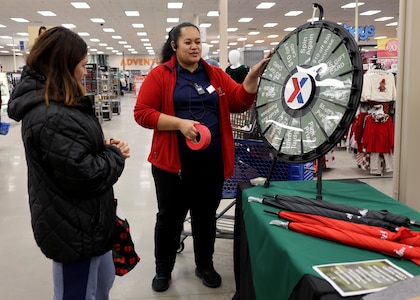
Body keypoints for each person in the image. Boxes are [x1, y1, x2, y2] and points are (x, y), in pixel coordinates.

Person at [133, 21, 269, 292]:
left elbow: (238, 101)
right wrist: (179, 124)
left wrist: (251, 79)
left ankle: (204, 264)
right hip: (173, 165)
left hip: (211, 163)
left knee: (206, 217)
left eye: (198, 41)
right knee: (169, 219)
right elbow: (142, 113)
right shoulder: (160, 75)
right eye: (188, 42)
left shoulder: (215, 74)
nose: (195, 46)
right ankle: (163, 269)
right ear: (174, 45)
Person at [7, 26, 130, 300]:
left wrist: (102, 145)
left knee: (98, 286)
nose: (86, 72)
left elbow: (70, 153)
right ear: (64, 66)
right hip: (75, 229)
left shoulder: (59, 106)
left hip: (82, 221)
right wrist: (114, 155)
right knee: (77, 293)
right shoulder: (53, 114)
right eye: (83, 65)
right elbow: (84, 173)